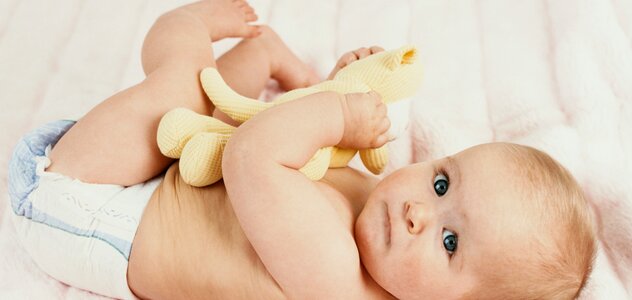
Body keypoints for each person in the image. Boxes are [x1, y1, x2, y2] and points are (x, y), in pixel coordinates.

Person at [7, 0, 595, 299]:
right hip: (172, 170)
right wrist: (339, 89)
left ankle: (178, 29)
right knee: (222, 108)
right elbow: (319, 159)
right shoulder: (383, 224)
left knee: (180, 89)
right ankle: (268, 58)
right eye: (442, 182)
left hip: (82, 207)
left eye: (450, 242)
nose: (420, 210)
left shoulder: (336, 279)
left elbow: (255, 157)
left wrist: (337, 112)